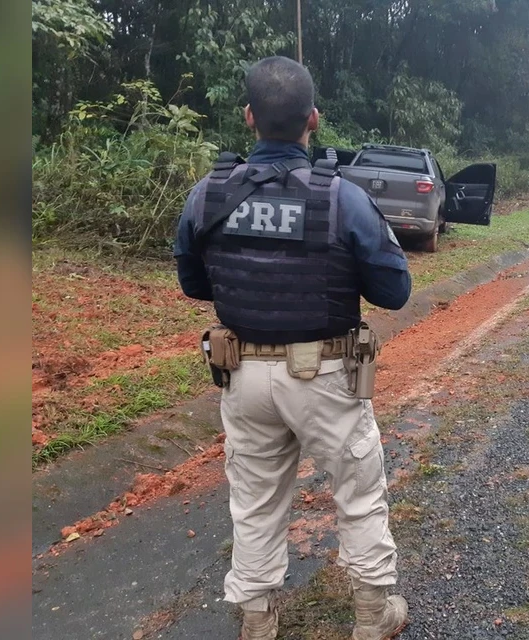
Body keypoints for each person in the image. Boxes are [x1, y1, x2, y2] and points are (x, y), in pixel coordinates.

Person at [173, 56, 411, 640]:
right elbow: (394, 291)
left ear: (249, 117)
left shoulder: (207, 195)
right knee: (358, 494)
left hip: (243, 376)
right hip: (327, 377)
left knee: (254, 503)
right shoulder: (343, 199)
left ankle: (257, 622)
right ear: (314, 120)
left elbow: (194, 283)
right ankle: (372, 617)